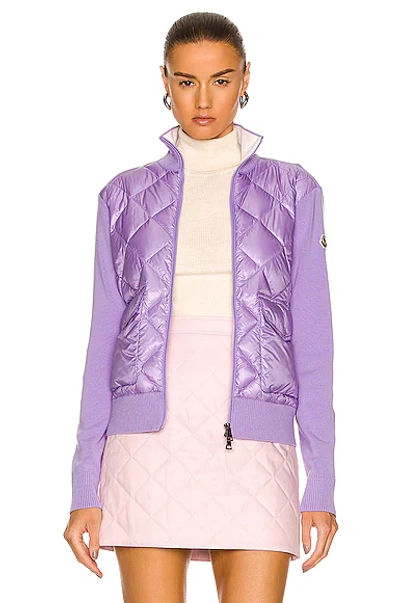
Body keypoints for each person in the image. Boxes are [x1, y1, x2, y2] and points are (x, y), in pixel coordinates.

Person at [63, 11, 339, 603]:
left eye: (221, 79)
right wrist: (85, 484)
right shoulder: (123, 195)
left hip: (256, 438)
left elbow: (314, 344)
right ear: (165, 80)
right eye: (187, 81)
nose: (204, 99)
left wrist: (321, 485)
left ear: (245, 78)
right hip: (145, 442)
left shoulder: (295, 190)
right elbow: (102, 341)